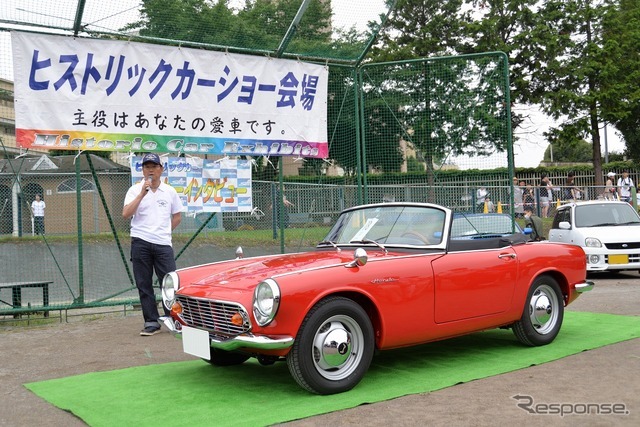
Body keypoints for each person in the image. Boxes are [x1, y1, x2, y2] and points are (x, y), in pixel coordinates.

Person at [122, 153, 184, 336]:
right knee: (144, 283)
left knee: (170, 283)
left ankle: (173, 318)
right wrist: (142, 193)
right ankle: (151, 321)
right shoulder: (135, 190)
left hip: (163, 244)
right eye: (146, 166)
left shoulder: (170, 191)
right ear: (142, 170)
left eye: (154, 166)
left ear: (161, 169)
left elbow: (177, 216)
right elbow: (126, 214)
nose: (150, 169)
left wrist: (164, 231)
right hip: (140, 241)